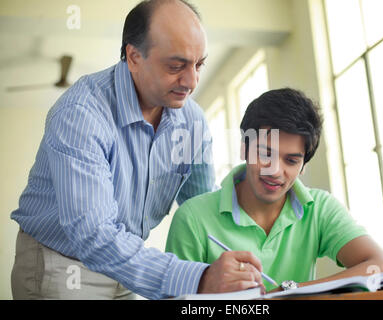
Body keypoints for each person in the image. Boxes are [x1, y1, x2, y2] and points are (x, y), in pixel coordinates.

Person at [10, 0, 264, 300]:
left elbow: (201, 205)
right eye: (176, 66)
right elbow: (94, 236)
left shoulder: (191, 119)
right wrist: (198, 278)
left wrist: (238, 268)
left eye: (199, 65)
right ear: (133, 56)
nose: (192, 81)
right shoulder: (81, 114)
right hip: (64, 264)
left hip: (127, 261)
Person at [165, 88, 383, 292]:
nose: (275, 171)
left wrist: (291, 291)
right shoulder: (192, 218)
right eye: (265, 153)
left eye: (291, 160)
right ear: (244, 148)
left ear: (303, 166)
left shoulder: (319, 209)